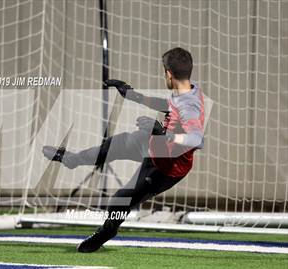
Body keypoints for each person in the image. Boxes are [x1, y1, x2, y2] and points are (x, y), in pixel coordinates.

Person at [42, 47, 205, 253]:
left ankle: (108, 230)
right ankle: (72, 159)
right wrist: (134, 96)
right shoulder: (187, 90)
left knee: (121, 199)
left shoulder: (190, 105)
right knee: (114, 145)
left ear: (168, 74)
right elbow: (170, 106)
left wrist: (164, 134)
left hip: (166, 166)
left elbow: (196, 139)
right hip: (153, 145)